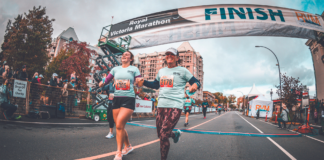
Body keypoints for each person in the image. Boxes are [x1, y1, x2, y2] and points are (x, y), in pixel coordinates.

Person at [137, 47, 200, 160]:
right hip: (161, 105)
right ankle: (175, 134)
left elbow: (195, 81)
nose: (169, 56)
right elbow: (156, 85)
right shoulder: (162, 71)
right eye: (167, 54)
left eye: (172, 54)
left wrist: (194, 86)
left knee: (164, 134)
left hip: (175, 105)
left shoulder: (183, 70)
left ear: (177, 58)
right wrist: (144, 82)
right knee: (160, 134)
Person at [99, 51, 141, 160]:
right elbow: (107, 80)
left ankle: (118, 152)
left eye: (127, 55)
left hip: (129, 98)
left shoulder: (134, 69)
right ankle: (128, 146)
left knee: (118, 125)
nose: (124, 56)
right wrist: (102, 82)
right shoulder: (115, 69)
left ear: (131, 59)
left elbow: (138, 82)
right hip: (116, 98)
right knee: (120, 125)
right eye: (123, 54)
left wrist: (140, 82)